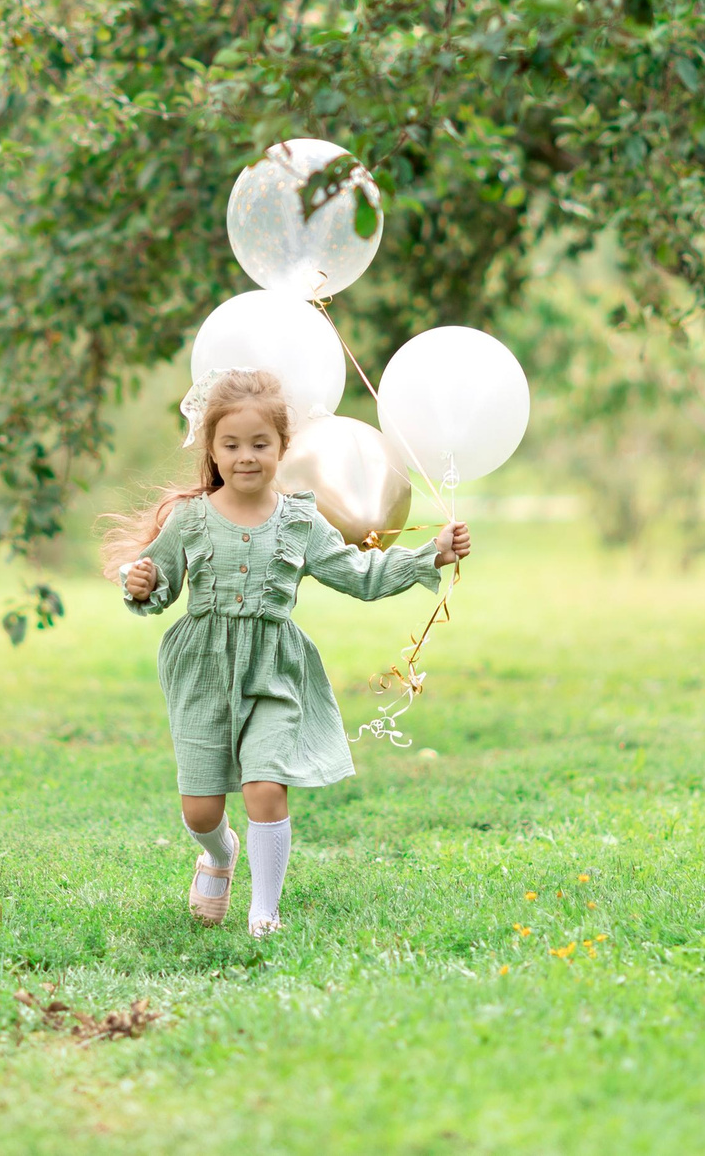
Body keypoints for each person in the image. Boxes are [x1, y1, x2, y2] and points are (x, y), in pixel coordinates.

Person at [104, 368, 471, 938]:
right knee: (201, 810)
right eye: (231, 445)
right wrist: (141, 583)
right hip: (201, 669)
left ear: (282, 447)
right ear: (213, 449)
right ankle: (219, 854)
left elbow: (358, 574)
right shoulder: (191, 520)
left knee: (265, 786)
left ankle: (263, 912)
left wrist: (431, 555)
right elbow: (157, 582)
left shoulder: (301, 520)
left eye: (260, 444)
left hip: (275, 669)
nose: (246, 456)